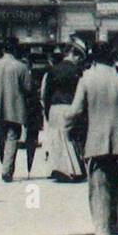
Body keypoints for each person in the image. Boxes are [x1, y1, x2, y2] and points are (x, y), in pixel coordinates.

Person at [65, 41, 118, 235]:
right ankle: (116, 223)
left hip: (95, 141)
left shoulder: (86, 80)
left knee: (99, 184)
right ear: (111, 58)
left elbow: (76, 111)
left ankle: (102, 228)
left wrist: (68, 128)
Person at [0, 38, 36, 182]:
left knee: (1, 139)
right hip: (16, 110)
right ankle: (7, 169)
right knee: (12, 139)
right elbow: (29, 89)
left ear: (3, 50)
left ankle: (5, 165)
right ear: (15, 50)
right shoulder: (21, 67)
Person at [42, 40, 86, 182]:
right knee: (70, 138)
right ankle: (72, 170)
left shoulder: (53, 69)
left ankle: (57, 168)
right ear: (73, 54)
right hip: (70, 106)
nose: (79, 60)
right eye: (79, 57)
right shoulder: (78, 71)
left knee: (56, 139)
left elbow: (46, 93)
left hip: (54, 107)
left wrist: (48, 110)